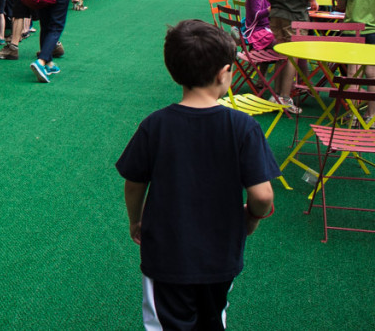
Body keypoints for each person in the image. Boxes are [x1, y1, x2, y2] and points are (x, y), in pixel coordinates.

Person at [116, 20, 280, 330]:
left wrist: (135, 220)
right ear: (223, 73)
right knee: (213, 319)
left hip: (166, 256)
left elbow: (134, 182)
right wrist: (253, 217)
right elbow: (262, 195)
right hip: (221, 257)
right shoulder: (244, 127)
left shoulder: (155, 125)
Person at [262, 0, 317, 113]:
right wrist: (313, 1)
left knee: (281, 54)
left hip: (276, 15)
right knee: (291, 58)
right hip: (295, 16)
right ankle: (285, 97)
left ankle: (276, 94)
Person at [335, 0, 375, 101]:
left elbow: (340, 6)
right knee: (372, 73)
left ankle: (351, 112)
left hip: (352, 31)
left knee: (353, 72)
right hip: (373, 31)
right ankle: (372, 115)